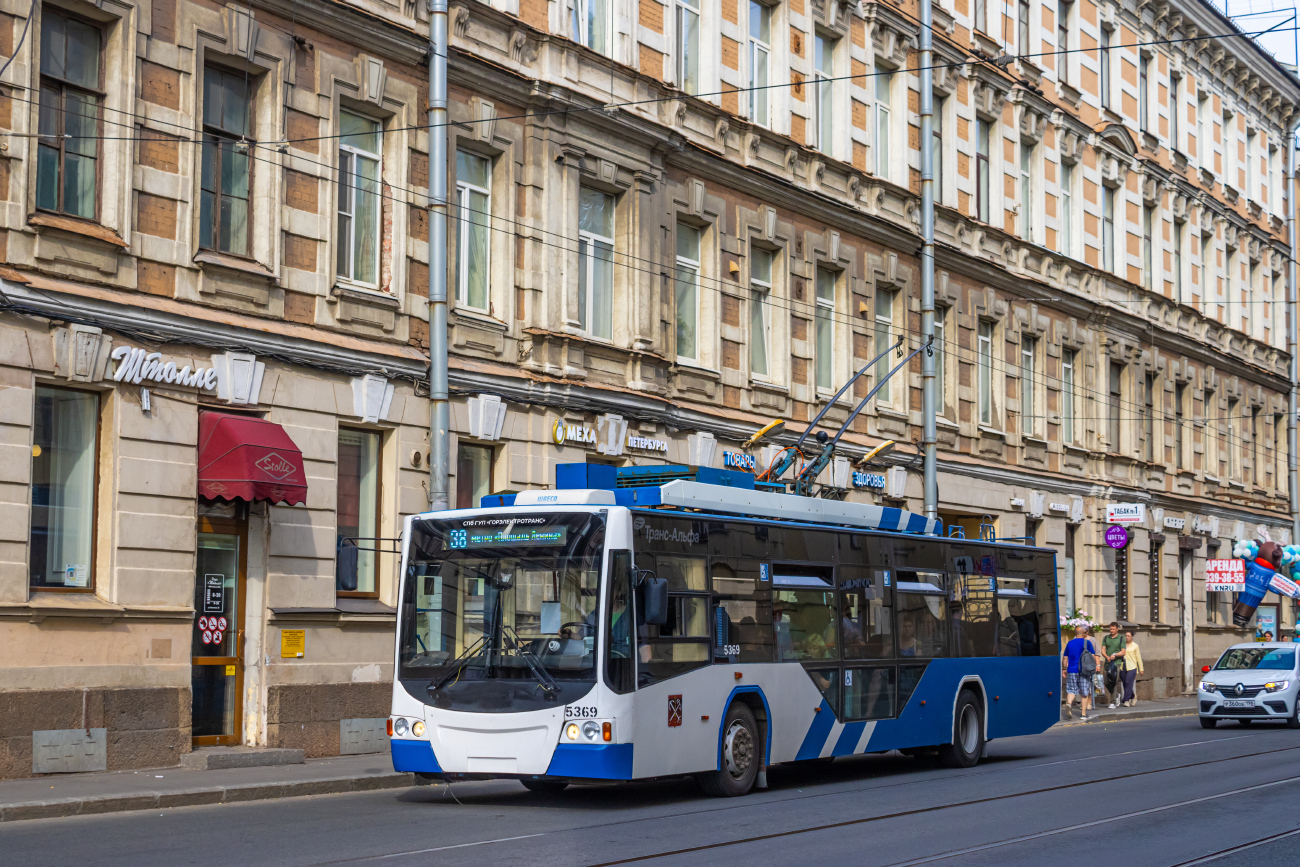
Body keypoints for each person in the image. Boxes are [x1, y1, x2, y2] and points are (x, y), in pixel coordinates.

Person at [1062, 624, 1097, 721]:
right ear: (1085, 633)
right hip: (1084, 671)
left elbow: (1065, 658)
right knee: (1084, 692)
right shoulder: (1087, 643)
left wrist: (1064, 669)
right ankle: (1083, 714)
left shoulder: (1070, 643)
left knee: (1071, 690)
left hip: (1072, 670)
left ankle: (1069, 703)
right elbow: (1092, 657)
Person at [1101, 621, 1126, 709]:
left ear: (1117, 629)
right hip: (1107, 662)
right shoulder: (1106, 638)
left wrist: (1115, 655)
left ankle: (1113, 702)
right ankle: (1116, 695)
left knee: (1114, 681)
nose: (1111, 631)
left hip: (1117, 663)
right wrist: (1106, 656)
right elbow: (1103, 650)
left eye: (1113, 629)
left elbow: (1123, 651)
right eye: (1110, 629)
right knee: (1106, 681)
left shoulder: (1121, 638)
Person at [1121, 631, 1144, 707]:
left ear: (1132, 637)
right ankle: (1133, 696)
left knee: (1128, 682)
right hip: (1123, 665)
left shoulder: (1135, 646)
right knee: (1124, 683)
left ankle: (1126, 700)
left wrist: (1141, 668)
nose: (1127, 637)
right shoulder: (1122, 645)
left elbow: (1138, 657)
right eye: (1126, 636)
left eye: (1128, 636)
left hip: (1132, 666)